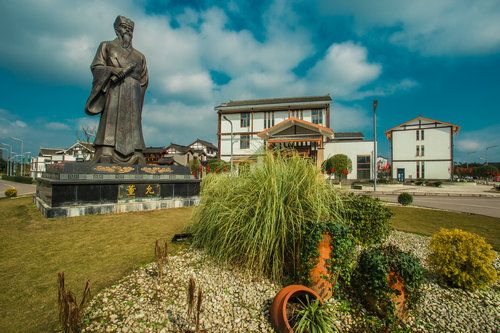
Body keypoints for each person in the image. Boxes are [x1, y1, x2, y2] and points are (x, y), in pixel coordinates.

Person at [85, 15, 148, 164]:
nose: (128, 31)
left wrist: (138, 93)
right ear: (116, 29)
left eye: (130, 29)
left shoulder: (140, 56)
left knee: (134, 120)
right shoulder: (106, 46)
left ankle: (136, 150)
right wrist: (112, 70)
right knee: (111, 116)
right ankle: (106, 147)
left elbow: (144, 80)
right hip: (114, 89)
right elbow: (96, 67)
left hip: (133, 92)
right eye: (124, 28)